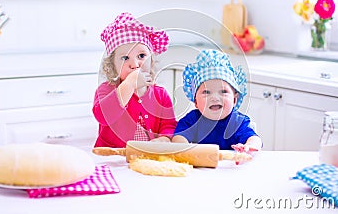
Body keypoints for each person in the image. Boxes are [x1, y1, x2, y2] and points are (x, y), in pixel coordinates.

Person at [93, 12, 176, 148]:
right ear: (113, 66)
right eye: (125, 58)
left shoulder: (160, 95)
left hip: (147, 156)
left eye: (141, 55)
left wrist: (165, 139)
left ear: (152, 60)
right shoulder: (105, 90)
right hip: (112, 155)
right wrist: (129, 84)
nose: (135, 64)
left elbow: (169, 125)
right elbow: (103, 116)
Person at [172, 49, 262, 151]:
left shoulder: (237, 122)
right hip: (203, 164)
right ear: (196, 102)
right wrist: (184, 148)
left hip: (231, 165)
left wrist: (249, 146)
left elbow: (254, 138)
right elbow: (178, 138)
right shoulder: (193, 120)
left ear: (234, 100)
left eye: (223, 91)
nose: (214, 97)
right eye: (206, 92)